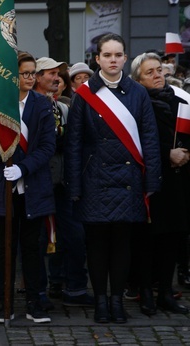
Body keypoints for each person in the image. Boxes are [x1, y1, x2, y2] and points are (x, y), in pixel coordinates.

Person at [65, 33, 162, 324]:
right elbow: (74, 143)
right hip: (95, 178)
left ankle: (117, 301)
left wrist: (152, 181)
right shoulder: (84, 94)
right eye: (107, 55)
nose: (113, 60)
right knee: (96, 245)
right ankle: (101, 302)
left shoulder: (138, 92)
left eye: (118, 55)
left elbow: (150, 138)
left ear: (125, 58)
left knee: (122, 243)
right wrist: (74, 184)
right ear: (97, 59)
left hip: (129, 177)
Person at [0, 51, 56, 324]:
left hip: (33, 186)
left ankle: (36, 301)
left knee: (33, 248)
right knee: (5, 248)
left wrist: (23, 167)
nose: (29, 78)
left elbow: (48, 147)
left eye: (32, 73)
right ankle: (6, 302)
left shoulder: (42, 105)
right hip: (5, 189)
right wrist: (3, 155)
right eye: (24, 73)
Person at [129, 52, 190, 315]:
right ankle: (145, 291)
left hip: (179, 180)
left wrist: (185, 153)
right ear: (138, 79)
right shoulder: (135, 103)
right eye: (150, 72)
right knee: (147, 240)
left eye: (159, 70)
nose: (158, 75)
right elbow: (138, 142)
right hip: (151, 181)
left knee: (173, 238)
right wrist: (168, 154)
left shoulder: (180, 101)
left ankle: (166, 291)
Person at [34, 57, 93, 310]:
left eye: (58, 74)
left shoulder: (64, 107)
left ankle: (75, 287)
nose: (56, 78)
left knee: (74, 236)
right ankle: (40, 290)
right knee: (39, 239)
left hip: (64, 182)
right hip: (38, 181)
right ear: (36, 77)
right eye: (50, 73)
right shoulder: (27, 106)